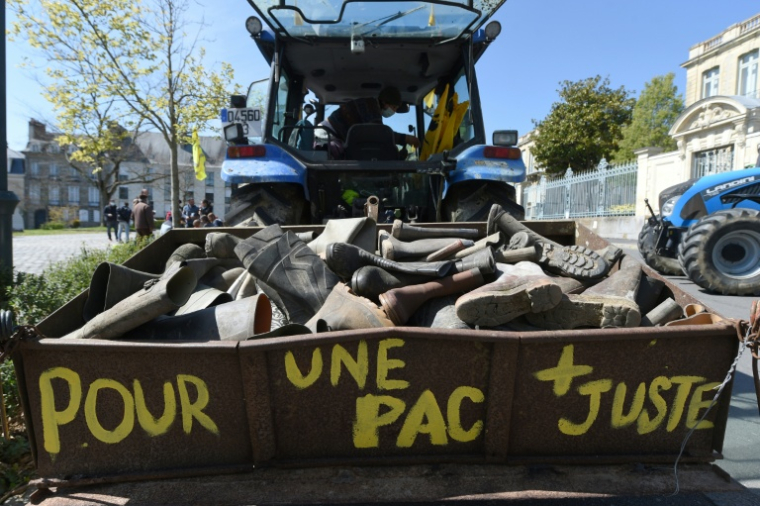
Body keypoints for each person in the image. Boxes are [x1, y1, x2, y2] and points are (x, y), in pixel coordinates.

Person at [319, 86, 420, 159]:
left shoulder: (372, 107)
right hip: (326, 137)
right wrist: (406, 138)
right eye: (393, 107)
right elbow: (380, 134)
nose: (393, 111)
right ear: (385, 102)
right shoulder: (371, 107)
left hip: (332, 136)